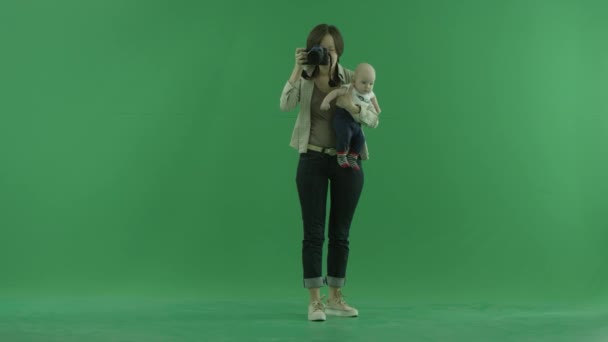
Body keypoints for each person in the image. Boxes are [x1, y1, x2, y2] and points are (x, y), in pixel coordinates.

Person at [279, 24, 380, 321]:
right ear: (312, 50)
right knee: (313, 233)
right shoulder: (306, 77)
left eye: (331, 50)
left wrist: (353, 107)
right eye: (321, 49)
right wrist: (296, 69)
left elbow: (374, 119)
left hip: (346, 162)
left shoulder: (352, 77)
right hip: (311, 159)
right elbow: (285, 105)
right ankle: (315, 301)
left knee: (341, 233)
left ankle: (336, 297)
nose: (326, 55)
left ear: (339, 51)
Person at [321, 63, 381, 170]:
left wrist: (377, 108)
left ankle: (352, 157)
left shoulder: (369, 93)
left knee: (361, 139)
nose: (368, 87)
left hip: (355, 121)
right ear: (354, 81)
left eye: (371, 83)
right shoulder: (350, 89)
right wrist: (326, 101)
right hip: (342, 117)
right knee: (345, 134)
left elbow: (373, 98)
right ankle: (341, 155)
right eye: (364, 82)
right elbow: (335, 93)